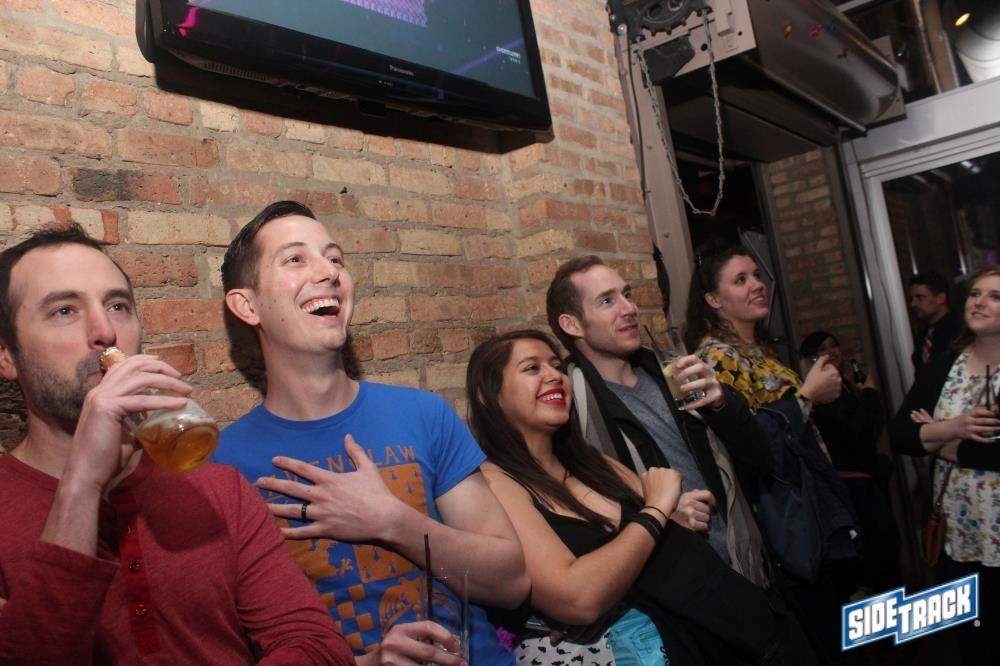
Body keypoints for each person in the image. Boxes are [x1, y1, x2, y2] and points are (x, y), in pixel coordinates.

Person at [0, 224, 352, 664]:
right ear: (6, 355)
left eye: (118, 306)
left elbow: (318, 647)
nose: (105, 331)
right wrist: (82, 485)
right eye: (64, 311)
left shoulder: (219, 490)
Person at [213, 201, 529, 665]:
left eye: (335, 258)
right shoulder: (222, 465)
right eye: (296, 258)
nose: (329, 272)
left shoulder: (423, 414)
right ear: (247, 305)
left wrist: (392, 522)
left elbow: (512, 582)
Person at [466, 330, 820, 665]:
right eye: (532, 368)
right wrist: (654, 509)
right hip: (690, 648)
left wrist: (675, 510)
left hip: (752, 624)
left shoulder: (590, 460)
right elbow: (578, 598)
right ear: (487, 394)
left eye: (557, 366)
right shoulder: (498, 482)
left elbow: (668, 530)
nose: (554, 376)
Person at [545, 256, 773, 585]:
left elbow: (761, 459)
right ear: (572, 325)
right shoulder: (569, 410)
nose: (629, 308)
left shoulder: (674, 373)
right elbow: (578, 516)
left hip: (741, 561)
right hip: (673, 581)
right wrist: (660, 513)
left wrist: (724, 404)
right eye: (607, 301)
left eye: (627, 295)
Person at [686, 244, 858, 661]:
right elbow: (751, 445)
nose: (757, 285)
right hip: (779, 516)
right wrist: (807, 396)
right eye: (740, 279)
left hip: (805, 502)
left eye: (757, 276)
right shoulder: (717, 358)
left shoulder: (758, 350)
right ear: (714, 299)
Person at [889, 265, 1000, 665]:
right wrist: (953, 428)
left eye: (994, 296)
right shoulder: (944, 365)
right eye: (975, 294)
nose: (979, 302)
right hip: (959, 533)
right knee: (974, 642)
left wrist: (944, 445)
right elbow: (900, 435)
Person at [799, 331, 899, 597]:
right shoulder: (823, 396)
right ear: (811, 359)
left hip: (865, 485)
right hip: (852, 490)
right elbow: (860, 435)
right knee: (873, 563)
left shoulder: (844, 386)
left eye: (834, 345)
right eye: (822, 349)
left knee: (884, 556)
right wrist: (870, 394)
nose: (832, 352)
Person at [908, 272, 961, 375]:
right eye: (912, 298)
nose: (913, 304)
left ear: (940, 298)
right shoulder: (923, 334)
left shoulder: (959, 330)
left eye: (920, 297)